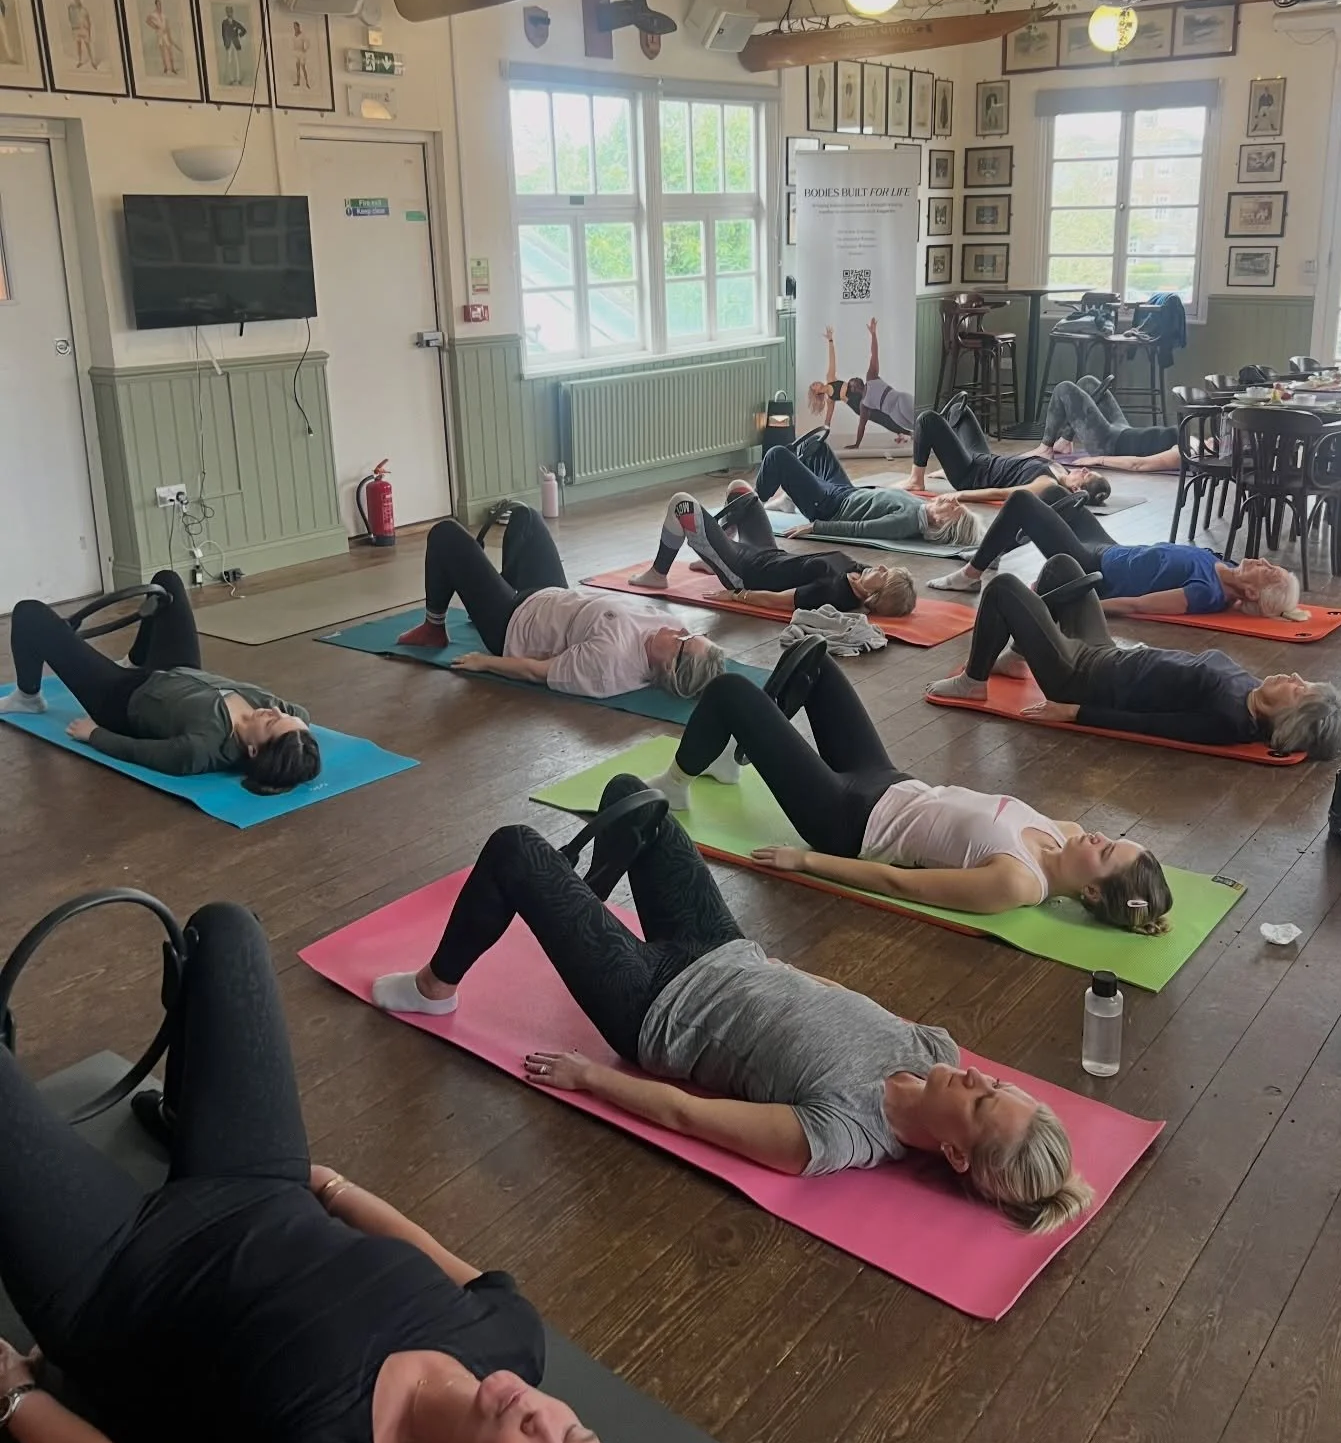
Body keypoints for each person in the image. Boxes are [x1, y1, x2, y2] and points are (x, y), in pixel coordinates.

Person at [0, 901, 639, 1443]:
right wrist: (334, 1188)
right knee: (228, 933)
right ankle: (184, 1116)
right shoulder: (512, 1339)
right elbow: (428, 1254)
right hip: (256, 1183)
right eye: (573, 1432)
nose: (538, 1419)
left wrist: (15, 1396)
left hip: (112, 1276)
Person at [371, 784, 1093, 1233]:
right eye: (997, 1085)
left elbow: (691, 1118)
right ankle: (572, 916)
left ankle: (435, 988)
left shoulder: (839, 1136)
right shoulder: (937, 1053)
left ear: (958, 1153)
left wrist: (589, 1079)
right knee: (640, 805)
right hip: (725, 950)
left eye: (978, 1104)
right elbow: (841, 1001)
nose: (978, 1081)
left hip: (653, 1006)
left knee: (516, 850)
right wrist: (781, 970)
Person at [644, 652, 1173, 932]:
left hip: (846, 822)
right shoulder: (1066, 833)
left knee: (729, 690)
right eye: (1114, 838)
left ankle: (676, 786)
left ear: (1090, 894)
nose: (1100, 836)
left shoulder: (1017, 883)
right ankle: (735, 755)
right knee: (817, 665)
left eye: (1105, 852)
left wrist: (805, 863)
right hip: (889, 781)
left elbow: (901, 885)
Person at [933, 552, 1341, 760]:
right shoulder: (1250, 692)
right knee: (1064, 567)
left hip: (1079, 677)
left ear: (1287, 722)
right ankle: (1019, 653)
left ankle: (974, 681)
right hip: (1105, 654)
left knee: (1004, 588)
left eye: (1300, 691)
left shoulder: (1230, 720)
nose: (1296, 677)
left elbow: (1155, 726)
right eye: (1304, 681)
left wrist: (1074, 712)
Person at [0, 571, 319, 793]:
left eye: (272, 724)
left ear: (251, 749)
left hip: (122, 698)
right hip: (180, 672)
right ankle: (137, 658)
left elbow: (143, 752)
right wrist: (293, 732)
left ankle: (28, 697)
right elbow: (300, 717)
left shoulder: (202, 749)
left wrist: (95, 735)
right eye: (284, 717)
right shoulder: (286, 717)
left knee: (30, 613)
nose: (275, 711)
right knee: (166, 584)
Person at [396, 504, 727, 699]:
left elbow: (539, 672)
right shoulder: (670, 634)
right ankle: (481, 596)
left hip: (512, 625)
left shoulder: (609, 665)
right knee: (525, 517)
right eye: (690, 634)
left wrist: (485, 663)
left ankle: (433, 627)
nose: (679, 630)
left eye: (683, 641)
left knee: (446, 534)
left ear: (668, 667)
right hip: (553, 595)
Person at [944, 484, 1306, 618]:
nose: (1262, 560)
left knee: (1023, 500)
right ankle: (1003, 548)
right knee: (1053, 492)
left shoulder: (1205, 592)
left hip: (1094, 568)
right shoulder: (1225, 566)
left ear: (1254, 590)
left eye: (1268, 570)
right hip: (1109, 549)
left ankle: (970, 575)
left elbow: (1139, 606)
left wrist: (1081, 604)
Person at [628, 490, 916, 617]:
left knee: (682, 504)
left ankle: (658, 574)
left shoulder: (834, 592)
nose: (880, 567)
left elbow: (780, 601)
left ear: (874, 597)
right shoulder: (859, 573)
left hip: (745, 571)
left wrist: (737, 595)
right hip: (767, 552)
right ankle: (713, 557)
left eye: (884, 575)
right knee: (742, 493)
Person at [745, 430, 978, 547]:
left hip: (829, 507)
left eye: (954, 508)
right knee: (816, 447)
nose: (953, 501)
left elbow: (860, 529)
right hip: (845, 492)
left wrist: (815, 527)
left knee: (777, 455)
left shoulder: (907, 523)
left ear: (940, 523)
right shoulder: (922, 508)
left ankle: (751, 507)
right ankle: (790, 500)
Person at [902, 394, 1112, 504]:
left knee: (927, 420)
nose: (1083, 470)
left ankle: (916, 480)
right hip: (984, 459)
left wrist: (960, 496)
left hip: (970, 476)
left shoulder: (1046, 484)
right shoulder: (1060, 470)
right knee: (960, 410)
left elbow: (1003, 494)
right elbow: (1021, 463)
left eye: (1086, 475)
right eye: (1087, 470)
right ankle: (946, 466)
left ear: (1076, 490)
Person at [807, 319, 915, 445]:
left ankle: (902, 433)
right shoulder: (829, 399)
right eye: (813, 385)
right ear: (815, 392)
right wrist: (823, 434)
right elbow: (828, 418)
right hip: (855, 404)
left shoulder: (830, 378)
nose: (816, 383)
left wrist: (830, 340)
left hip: (858, 392)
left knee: (886, 411)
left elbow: (832, 359)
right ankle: (907, 433)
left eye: (814, 382)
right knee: (880, 419)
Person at [1036, 375, 1180, 467]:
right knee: (1088, 382)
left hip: (1109, 445)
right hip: (1124, 430)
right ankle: (1065, 441)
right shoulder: (1193, 439)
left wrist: (1100, 459)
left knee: (1064, 388)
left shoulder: (1188, 453)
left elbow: (1138, 464)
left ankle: (1046, 448)